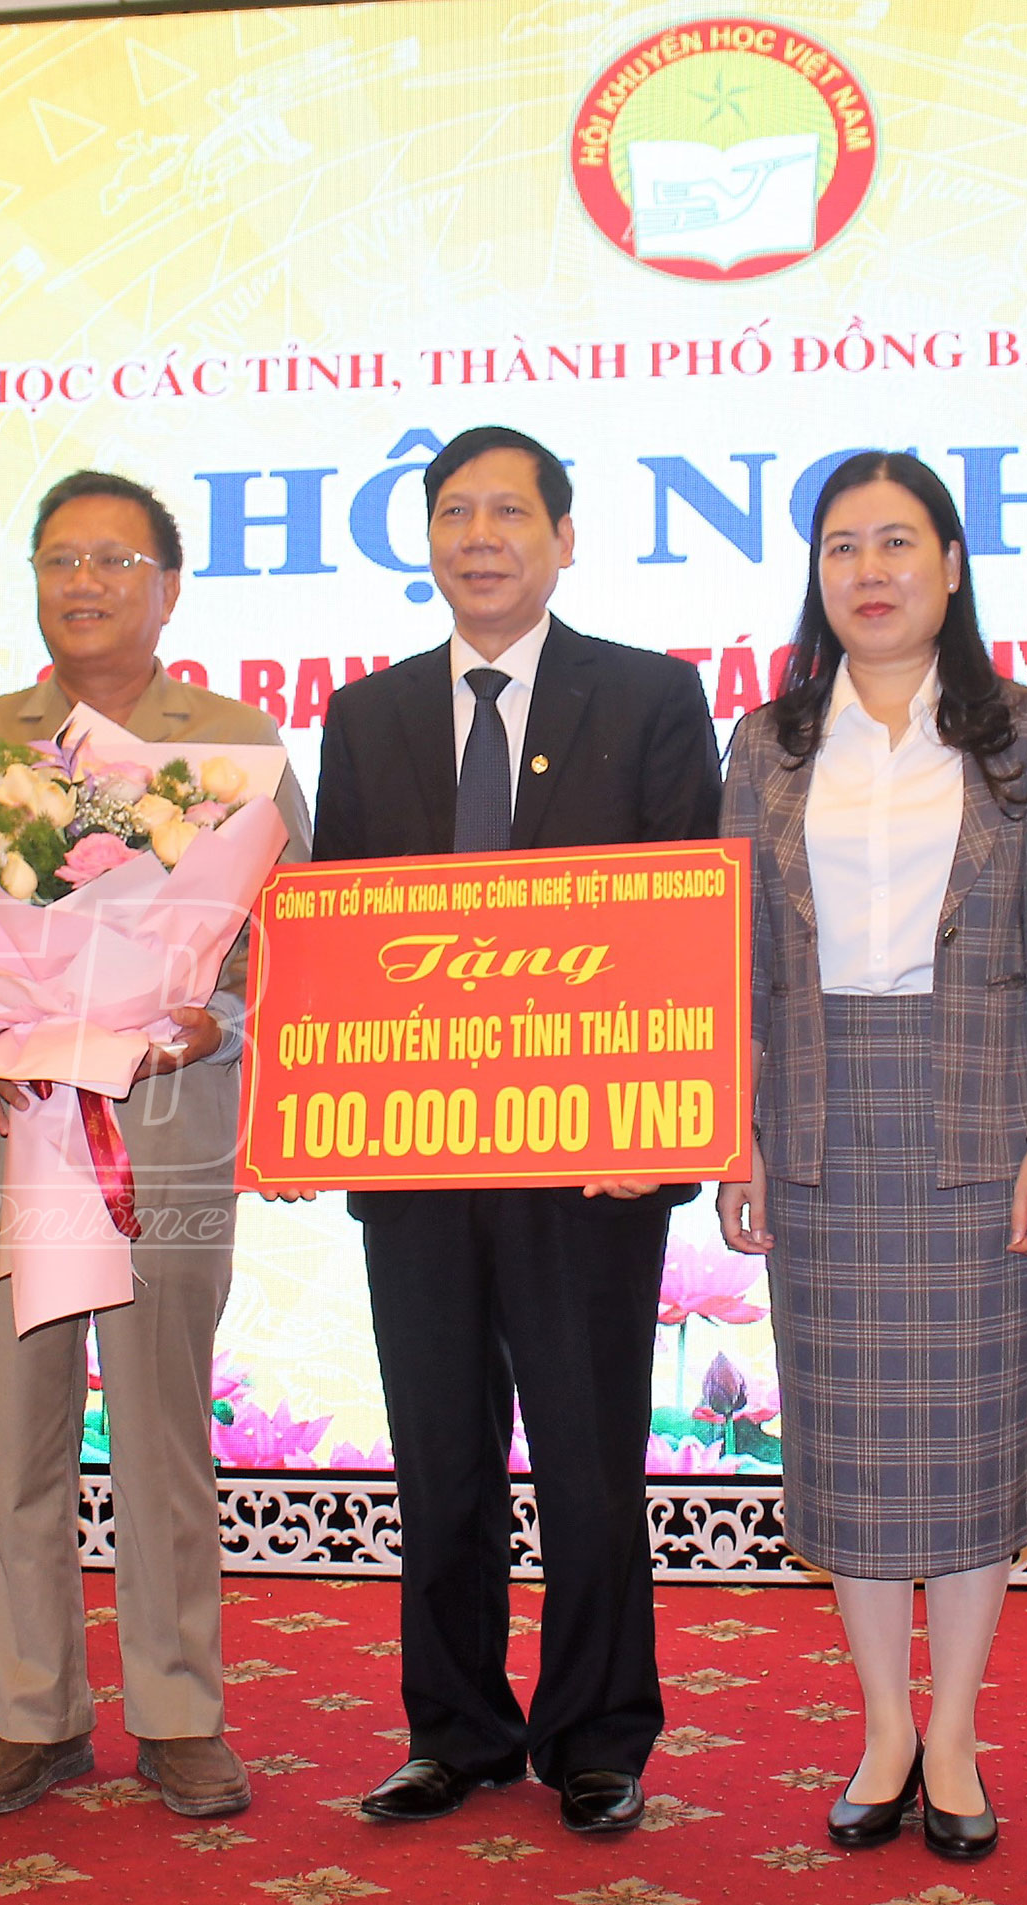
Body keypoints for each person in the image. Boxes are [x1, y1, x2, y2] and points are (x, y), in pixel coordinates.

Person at [314, 424, 721, 1835]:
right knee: (440, 1457)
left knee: (591, 1460)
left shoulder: (651, 697)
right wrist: (316, 1109)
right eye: (454, 512)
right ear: (426, 539)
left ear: (564, 539)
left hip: (593, 1160)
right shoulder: (365, 714)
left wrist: (670, 1125)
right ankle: (455, 1730)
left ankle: (598, 1735)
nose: (479, 536)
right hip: (418, 1156)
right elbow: (340, 934)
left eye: (508, 512)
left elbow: (689, 917)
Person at [713, 454, 1027, 1861]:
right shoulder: (768, 743)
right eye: (841, 548)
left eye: (896, 542)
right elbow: (732, 959)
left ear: (950, 563)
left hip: (980, 1122)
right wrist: (739, 1135)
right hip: (816, 1120)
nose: (868, 571)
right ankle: (885, 1727)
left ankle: (957, 1732)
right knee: (851, 1447)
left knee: (970, 1438)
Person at [0, 471, 310, 1819]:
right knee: (21, 1435)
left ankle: (180, 1711)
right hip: (6, 1126)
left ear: (170, 587)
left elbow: (286, 940)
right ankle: (33, 1715)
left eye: (114, 559)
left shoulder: (236, 741)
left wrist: (216, 1024)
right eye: (60, 559)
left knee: (160, 1433)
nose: (83, 582)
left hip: (166, 1127)